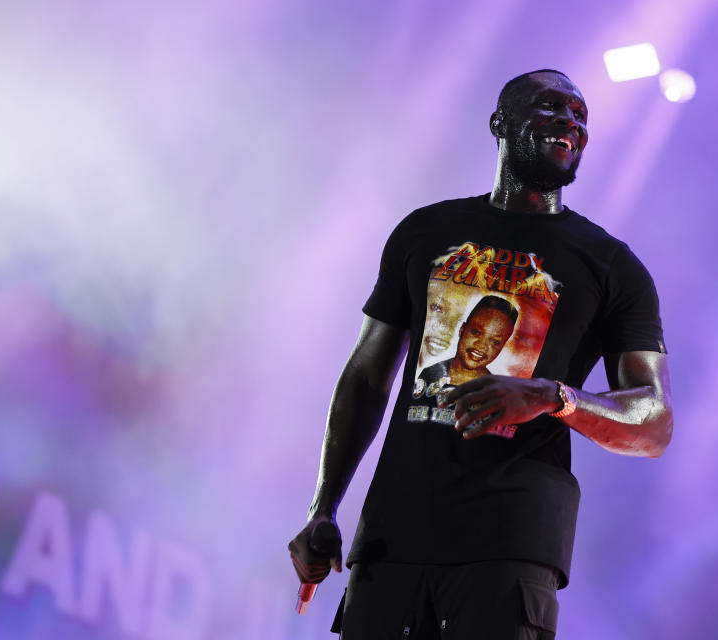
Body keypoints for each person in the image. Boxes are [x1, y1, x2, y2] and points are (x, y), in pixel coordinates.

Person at [288, 69, 673, 639]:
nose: (570, 122)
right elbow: (367, 377)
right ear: (500, 123)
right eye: (550, 107)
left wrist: (553, 397)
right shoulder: (424, 232)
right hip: (393, 539)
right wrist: (324, 508)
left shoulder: (612, 266)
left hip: (510, 547)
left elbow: (654, 422)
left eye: (581, 116)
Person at [416, 295, 519, 392]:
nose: (481, 345)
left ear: (502, 347)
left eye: (495, 341)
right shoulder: (430, 374)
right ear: (462, 329)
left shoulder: (495, 394)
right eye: (476, 332)